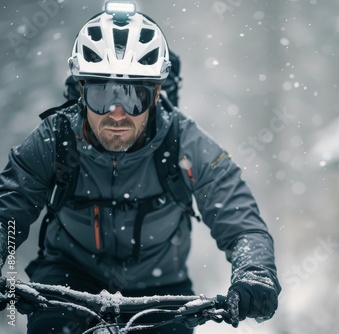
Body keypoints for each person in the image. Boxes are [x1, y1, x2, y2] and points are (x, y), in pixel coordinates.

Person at [0, 3, 280, 333]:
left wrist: (254, 273)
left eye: (135, 97)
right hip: (66, 284)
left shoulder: (184, 142)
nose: (117, 113)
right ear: (80, 90)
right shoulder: (54, 138)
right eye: (102, 95)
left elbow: (239, 218)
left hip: (162, 294)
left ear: (157, 93)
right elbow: (8, 212)